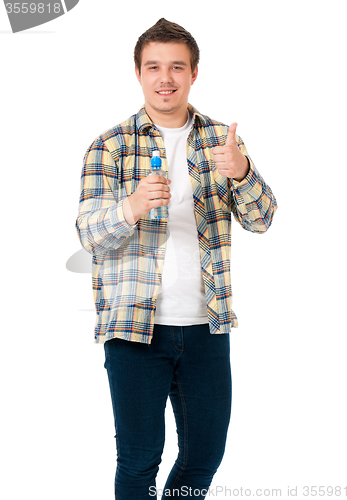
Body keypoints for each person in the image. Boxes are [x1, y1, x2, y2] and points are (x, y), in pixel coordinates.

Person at [76, 18, 277, 500]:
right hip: (134, 329)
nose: (165, 77)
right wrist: (132, 207)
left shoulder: (222, 143)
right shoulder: (109, 146)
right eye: (154, 67)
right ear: (139, 74)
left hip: (207, 328)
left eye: (176, 67)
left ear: (193, 73)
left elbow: (262, 219)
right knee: (140, 459)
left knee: (204, 455)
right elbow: (88, 235)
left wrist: (244, 172)